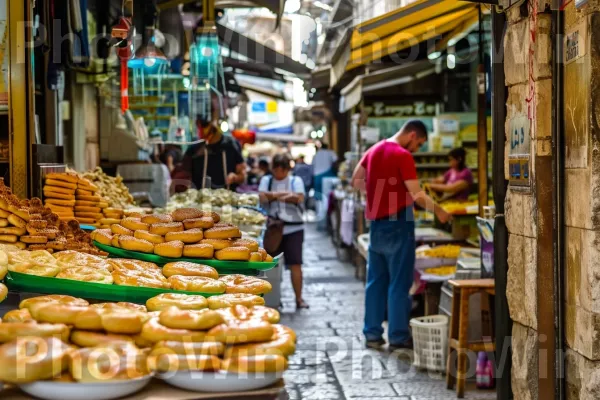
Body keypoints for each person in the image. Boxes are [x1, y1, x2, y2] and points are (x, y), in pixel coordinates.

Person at [351, 120, 451, 350]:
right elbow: (416, 195)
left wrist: (376, 194)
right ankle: (397, 336)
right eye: (418, 144)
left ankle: (372, 334)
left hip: (376, 224)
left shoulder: (374, 149)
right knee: (399, 282)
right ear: (412, 135)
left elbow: (356, 180)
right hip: (400, 222)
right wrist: (440, 211)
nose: (416, 149)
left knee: (376, 281)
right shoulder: (402, 155)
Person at [259, 154, 308, 309]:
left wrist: (273, 196)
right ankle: (271, 298)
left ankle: (299, 299)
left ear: (287, 169)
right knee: (269, 265)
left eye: (282, 171)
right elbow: (261, 197)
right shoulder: (267, 180)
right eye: (276, 171)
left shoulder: (295, 181)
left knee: (295, 264)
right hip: (273, 229)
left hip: (294, 228)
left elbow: (298, 198)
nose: (279, 174)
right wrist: (285, 195)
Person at [182, 118, 246, 190]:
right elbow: (184, 173)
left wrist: (235, 177)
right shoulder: (195, 148)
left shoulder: (231, 145)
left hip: (227, 197)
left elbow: (242, 176)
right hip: (201, 198)